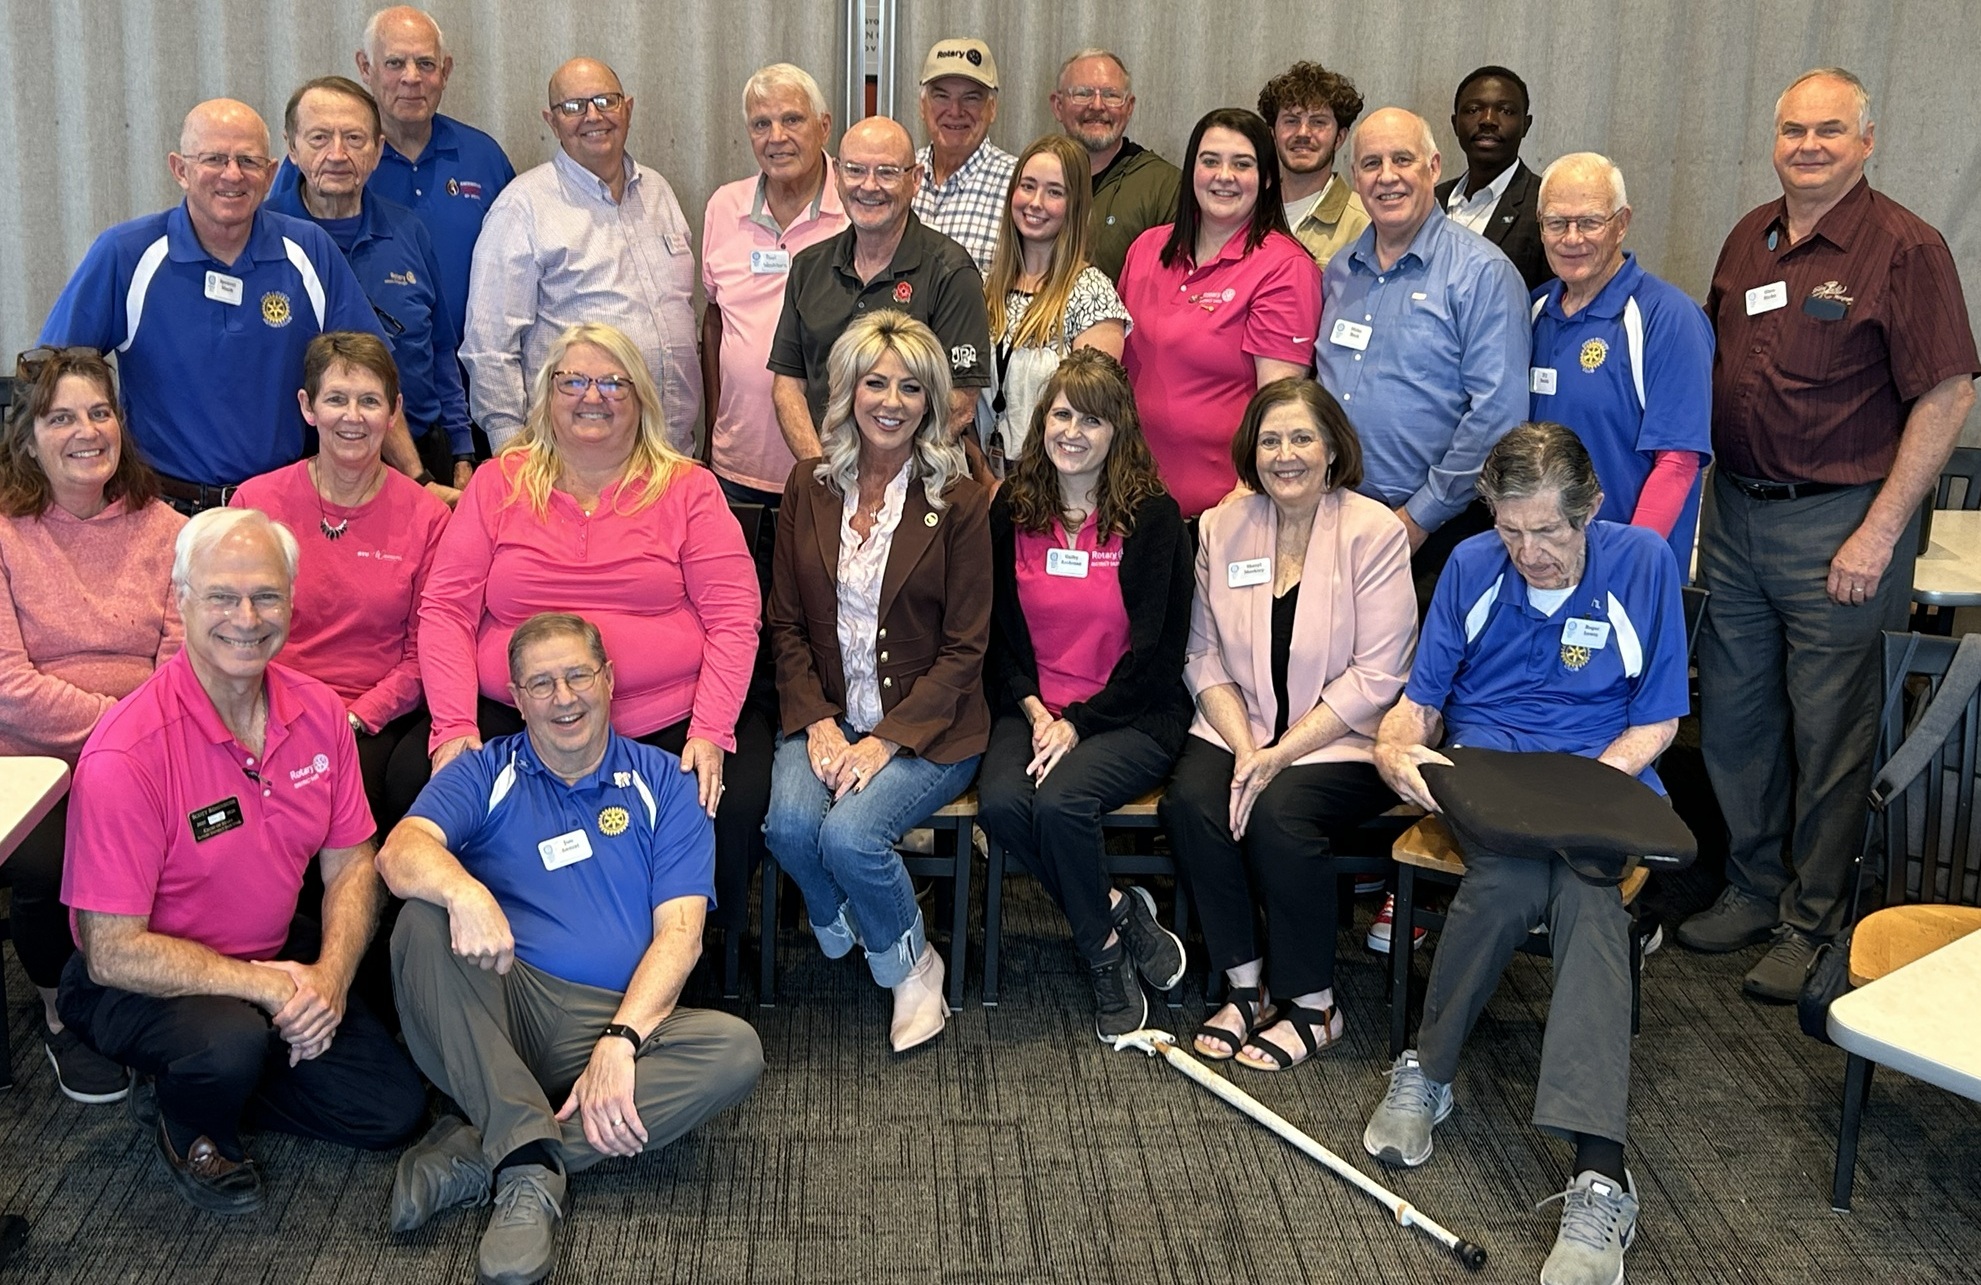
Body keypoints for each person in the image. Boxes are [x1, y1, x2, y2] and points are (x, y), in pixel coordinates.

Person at [1364, 422, 1690, 1285]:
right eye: (1511, 529)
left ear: (1591, 508)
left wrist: (1578, 796)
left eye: (1546, 530)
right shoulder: (1472, 566)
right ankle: (1435, 1077)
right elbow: (1419, 703)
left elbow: (1657, 718)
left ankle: (1595, 1171)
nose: (1528, 551)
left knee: (1579, 889)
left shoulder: (1643, 563)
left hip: (1599, 772)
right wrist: (1395, 749)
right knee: (1512, 865)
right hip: (1492, 773)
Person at [1680, 68, 1980, 1000]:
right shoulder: (1749, 235)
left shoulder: (1906, 248)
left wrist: (1879, 531)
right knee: (1733, 721)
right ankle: (1751, 886)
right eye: (1792, 131)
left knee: (1831, 731)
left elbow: (1946, 393)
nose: (1807, 146)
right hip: (1736, 516)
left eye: (1828, 131)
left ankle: (1814, 921)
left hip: (1839, 523)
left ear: (1866, 138)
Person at [57, 508, 425, 1214]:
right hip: (140, 979)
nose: (246, 617)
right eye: (222, 596)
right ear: (182, 599)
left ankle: (224, 1065)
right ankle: (190, 1117)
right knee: (224, 1043)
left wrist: (327, 980)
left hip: (275, 950)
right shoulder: (126, 753)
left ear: (291, 601)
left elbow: (351, 863)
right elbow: (110, 952)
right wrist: (263, 989)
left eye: (266, 595)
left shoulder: (318, 711)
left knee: (389, 1111)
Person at [379, 612, 763, 1285]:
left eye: (578, 675)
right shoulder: (485, 772)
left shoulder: (664, 784)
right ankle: (528, 1175)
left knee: (734, 1052)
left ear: (608, 680)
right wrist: (464, 893)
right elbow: (399, 852)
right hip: (500, 1006)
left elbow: (681, 933)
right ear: (516, 696)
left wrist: (620, 1036)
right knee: (419, 917)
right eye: (541, 683)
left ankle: (487, 1148)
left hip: (611, 1017)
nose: (564, 698)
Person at [419, 321, 772, 955]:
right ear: (546, 396)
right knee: (418, 791)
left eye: (614, 383)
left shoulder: (688, 488)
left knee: (730, 801)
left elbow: (734, 615)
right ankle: (515, 952)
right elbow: (445, 608)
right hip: (517, 715)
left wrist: (712, 730)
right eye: (574, 381)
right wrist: (452, 726)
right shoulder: (500, 483)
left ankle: (684, 964)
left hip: (661, 720)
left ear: (642, 400)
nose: (593, 396)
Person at [1161, 380, 1415, 1069]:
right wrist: (1247, 748)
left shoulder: (1374, 531)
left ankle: (1312, 1000)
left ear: (1332, 447)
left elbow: (1378, 674)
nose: (1285, 454)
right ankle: (1244, 982)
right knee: (1191, 800)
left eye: (1301, 437)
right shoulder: (1222, 524)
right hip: (1237, 723)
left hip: (1341, 736)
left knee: (1279, 814)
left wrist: (1277, 757)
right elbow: (1200, 651)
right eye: (1270, 439)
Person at [766, 311, 990, 1053]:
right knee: (792, 827)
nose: (890, 401)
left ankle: (911, 965)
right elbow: (787, 625)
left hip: (931, 727)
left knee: (852, 834)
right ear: (848, 390)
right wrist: (820, 722)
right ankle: (852, 922)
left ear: (930, 400)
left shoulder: (956, 500)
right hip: (828, 711)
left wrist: (886, 742)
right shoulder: (809, 484)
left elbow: (965, 649)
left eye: (909, 387)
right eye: (874, 382)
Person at [978, 351, 1192, 1038]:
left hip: (1130, 711)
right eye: (1061, 413)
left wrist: (1076, 724)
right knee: (1006, 804)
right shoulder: (1012, 507)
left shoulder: (1153, 516)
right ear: (1042, 420)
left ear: (1117, 431)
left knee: (1063, 801)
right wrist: (1037, 708)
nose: (1072, 431)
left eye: (1091, 419)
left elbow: (1157, 654)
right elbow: (997, 636)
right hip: (1034, 706)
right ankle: (1114, 912)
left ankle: (1099, 956)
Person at [38, 100, 383, 511]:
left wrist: (415, 476)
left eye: (248, 161)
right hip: (158, 507)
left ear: (271, 174)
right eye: (214, 159)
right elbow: (50, 377)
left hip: (284, 505)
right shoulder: (127, 254)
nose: (232, 175)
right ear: (180, 169)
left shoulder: (310, 251)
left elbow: (369, 376)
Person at [0, 346, 184, 1104]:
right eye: (61, 417)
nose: (85, 431)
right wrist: (116, 728)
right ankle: (58, 1009)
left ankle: (157, 993)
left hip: (150, 750)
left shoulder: (169, 527)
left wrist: (131, 740)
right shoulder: (6, 535)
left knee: (193, 837)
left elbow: (183, 665)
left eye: (99, 412)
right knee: (46, 867)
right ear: (29, 436)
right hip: (35, 760)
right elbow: (8, 687)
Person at [231, 331, 450, 835]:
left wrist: (355, 717)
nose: (353, 417)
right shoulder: (255, 503)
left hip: (370, 717)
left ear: (393, 413)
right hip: (264, 705)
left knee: (342, 803)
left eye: (369, 401)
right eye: (336, 399)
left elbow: (426, 654)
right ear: (308, 407)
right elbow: (231, 629)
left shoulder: (428, 518)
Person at [1315, 107, 1530, 608]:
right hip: (1336, 519)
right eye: (1371, 164)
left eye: (1402, 159)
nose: (1386, 177)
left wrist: (1417, 519)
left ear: (1434, 168)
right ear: (1354, 179)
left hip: (1438, 534)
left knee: (1422, 682)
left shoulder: (1482, 274)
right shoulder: (1341, 271)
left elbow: (1497, 415)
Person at [463, 59, 702, 454]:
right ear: (551, 121)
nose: (593, 116)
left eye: (606, 101)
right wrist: (512, 454)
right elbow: (490, 346)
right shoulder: (523, 207)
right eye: (573, 107)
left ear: (627, 108)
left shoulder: (659, 192)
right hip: (571, 461)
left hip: (670, 453)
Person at [266, 76, 471, 496]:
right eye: (320, 138)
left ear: (378, 151)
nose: (337, 155)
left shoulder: (408, 230)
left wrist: (462, 451)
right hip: (305, 467)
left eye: (354, 138)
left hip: (421, 458)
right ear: (292, 147)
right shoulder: (261, 237)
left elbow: (439, 349)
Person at [1118, 108, 1322, 518]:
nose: (1223, 175)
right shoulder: (1147, 249)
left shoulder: (1284, 267)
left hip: (1222, 514)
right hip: (1129, 501)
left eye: (1241, 164)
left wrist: (1246, 493)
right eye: (1210, 160)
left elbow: (1278, 404)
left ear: (1266, 179)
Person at [1528, 153, 1713, 570]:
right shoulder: (1534, 311)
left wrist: (1625, 564)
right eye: (1557, 223)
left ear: (1622, 223)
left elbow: (1679, 463)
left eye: (1590, 222)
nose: (1571, 239)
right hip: (1538, 566)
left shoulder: (1668, 318)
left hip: (1624, 566)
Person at [768, 116, 992, 458]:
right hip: (823, 477)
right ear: (838, 175)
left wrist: (892, 480)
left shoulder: (951, 272)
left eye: (887, 172)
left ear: (915, 180)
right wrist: (822, 471)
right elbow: (788, 384)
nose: (869, 186)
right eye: (855, 170)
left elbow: (960, 401)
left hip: (918, 487)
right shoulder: (808, 267)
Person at [353, 5, 516, 415]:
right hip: (360, 401)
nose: (412, 77)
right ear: (365, 67)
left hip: (474, 393)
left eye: (425, 63)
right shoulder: (336, 161)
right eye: (395, 63)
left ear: (445, 71)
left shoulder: (483, 156)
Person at [702, 64, 846, 519]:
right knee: (741, 591)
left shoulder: (858, 204)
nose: (776, 136)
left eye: (792, 119)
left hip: (836, 465)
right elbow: (713, 322)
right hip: (737, 467)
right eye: (761, 124)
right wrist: (711, 435)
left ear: (824, 127)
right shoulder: (725, 206)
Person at [977, 134, 1131, 468]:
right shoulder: (985, 286)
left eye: (1054, 192)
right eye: (1027, 186)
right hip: (981, 481)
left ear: (1075, 205)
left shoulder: (1092, 294)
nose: (1036, 202)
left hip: (1053, 486)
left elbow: (1091, 419)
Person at [1049, 48, 1180, 283]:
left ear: (1129, 107)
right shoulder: (1031, 181)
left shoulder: (1165, 188)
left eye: (1111, 95)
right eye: (1083, 93)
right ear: (1058, 106)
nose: (1097, 106)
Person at [1434, 66, 1548, 290]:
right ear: (1455, 124)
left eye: (1505, 111)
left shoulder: (1545, 203)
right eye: (1474, 109)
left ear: (1526, 125)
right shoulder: (1432, 200)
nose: (1487, 120)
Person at [911, 38, 1017, 273]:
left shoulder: (1020, 186)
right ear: (922, 105)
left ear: (992, 108)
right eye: (941, 97)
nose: (955, 111)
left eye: (971, 98)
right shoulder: (898, 176)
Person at [1258, 61, 1368, 271]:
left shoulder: (1363, 222)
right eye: (1291, 121)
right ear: (1273, 134)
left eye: (1318, 122)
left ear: (1339, 138)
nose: (1303, 133)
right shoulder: (1248, 211)